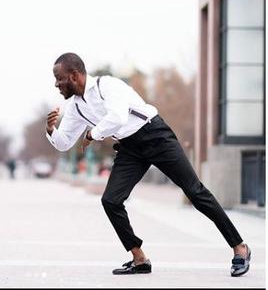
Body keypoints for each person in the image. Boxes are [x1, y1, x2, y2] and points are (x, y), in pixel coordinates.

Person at [45, 52, 250, 277]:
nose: (57, 84)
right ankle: (139, 258)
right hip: (130, 148)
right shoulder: (75, 107)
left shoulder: (108, 85)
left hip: (155, 136)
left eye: (59, 78)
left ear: (74, 76)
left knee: (195, 191)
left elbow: (118, 117)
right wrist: (51, 131)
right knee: (110, 201)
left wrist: (92, 134)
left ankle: (239, 248)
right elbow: (64, 143)